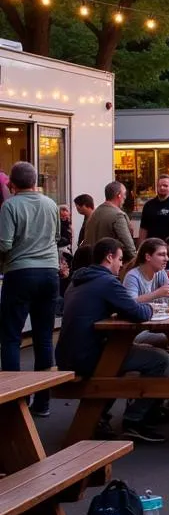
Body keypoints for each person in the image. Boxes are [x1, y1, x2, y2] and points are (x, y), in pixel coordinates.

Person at [57, 237, 169, 443]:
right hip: (90, 355)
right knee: (166, 360)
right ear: (109, 257)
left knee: (124, 357)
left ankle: (101, 416)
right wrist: (151, 306)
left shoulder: (77, 281)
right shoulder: (107, 282)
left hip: (67, 353)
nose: (122, 264)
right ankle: (135, 420)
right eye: (120, 259)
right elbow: (138, 313)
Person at [0, 162, 60, 418]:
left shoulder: (10, 205)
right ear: (36, 181)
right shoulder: (50, 204)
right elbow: (57, 237)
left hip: (20, 272)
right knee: (44, 337)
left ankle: (16, 401)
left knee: (11, 337)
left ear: (11, 184)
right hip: (49, 271)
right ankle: (43, 402)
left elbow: (4, 244)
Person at [82, 181, 136, 258]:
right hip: (109, 263)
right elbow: (129, 246)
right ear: (119, 195)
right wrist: (136, 262)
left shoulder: (93, 214)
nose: (125, 197)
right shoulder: (118, 215)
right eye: (124, 194)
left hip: (91, 262)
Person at [122, 238, 169, 304]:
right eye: (161, 255)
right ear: (148, 257)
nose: (167, 259)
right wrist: (157, 294)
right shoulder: (132, 276)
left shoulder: (161, 272)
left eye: (166, 255)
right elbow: (129, 303)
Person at [139, 174, 169, 243]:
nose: (162, 188)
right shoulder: (148, 205)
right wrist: (140, 247)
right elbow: (143, 230)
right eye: (159, 186)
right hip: (152, 248)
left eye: (165, 186)